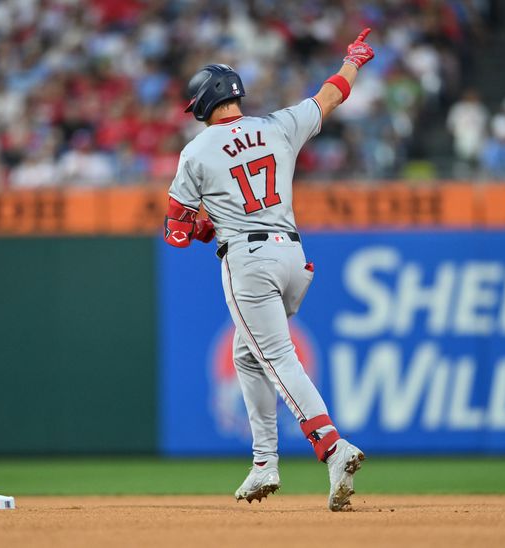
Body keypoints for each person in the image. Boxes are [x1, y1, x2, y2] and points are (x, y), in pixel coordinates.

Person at [163, 30, 375, 511]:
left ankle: (333, 447)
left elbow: (175, 229)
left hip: (248, 261)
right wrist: (354, 60)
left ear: (203, 103)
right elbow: (330, 94)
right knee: (246, 355)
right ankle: (264, 464)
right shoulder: (279, 125)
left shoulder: (195, 153)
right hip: (294, 258)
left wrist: (202, 224)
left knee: (278, 358)